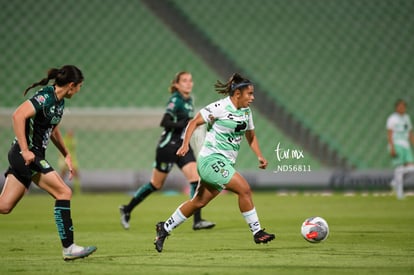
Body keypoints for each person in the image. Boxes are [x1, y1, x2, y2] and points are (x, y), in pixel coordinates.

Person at [154, 73, 275, 253]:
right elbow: (194, 122)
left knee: (198, 202)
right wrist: (185, 144)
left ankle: (164, 228)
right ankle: (257, 231)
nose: (252, 97)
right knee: (244, 189)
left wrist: (259, 155)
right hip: (210, 160)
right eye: (249, 94)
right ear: (237, 94)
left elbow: (251, 135)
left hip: (225, 163)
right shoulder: (220, 107)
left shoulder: (246, 111)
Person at [0, 65, 97, 261]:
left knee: (4, 206)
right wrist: (26, 150)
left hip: (30, 155)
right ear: (71, 85)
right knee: (64, 192)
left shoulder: (59, 103)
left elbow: (52, 131)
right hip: (25, 155)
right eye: (79, 87)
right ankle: (69, 248)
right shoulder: (45, 97)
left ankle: (69, 248)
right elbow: (18, 115)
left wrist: (66, 153)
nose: (79, 91)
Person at [119, 71, 215, 230]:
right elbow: (165, 121)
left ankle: (197, 220)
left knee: (195, 179)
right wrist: (184, 123)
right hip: (168, 147)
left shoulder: (189, 100)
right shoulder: (175, 100)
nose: (189, 83)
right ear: (177, 84)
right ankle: (127, 209)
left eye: (190, 80)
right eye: (184, 80)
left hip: (182, 146)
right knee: (156, 184)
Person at [387, 98, 414, 199]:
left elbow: (410, 132)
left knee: (410, 168)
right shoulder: (392, 118)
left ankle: (394, 182)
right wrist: (392, 147)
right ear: (396, 107)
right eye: (400, 106)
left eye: (403, 106)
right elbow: (389, 133)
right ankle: (399, 194)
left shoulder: (407, 117)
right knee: (399, 168)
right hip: (397, 144)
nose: (402, 108)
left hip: (406, 145)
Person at [58, 129, 81, 195]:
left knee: (76, 174)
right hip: (66, 159)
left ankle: (77, 191)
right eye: (70, 132)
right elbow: (61, 151)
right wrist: (63, 160)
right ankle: (59, 189)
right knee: (63, 175)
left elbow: (73, 149)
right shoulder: (64, 140)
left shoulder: (73, 140)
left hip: (73, 159)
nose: (71, 134)